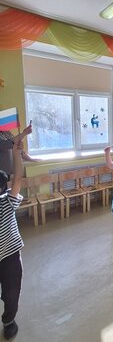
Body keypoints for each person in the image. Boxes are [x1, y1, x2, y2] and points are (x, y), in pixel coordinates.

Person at [0, 135, 26, 340]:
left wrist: (17, 153)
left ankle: (9, 320)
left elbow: (17, 179)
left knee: (11, 292)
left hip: (9, 256)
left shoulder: (6, 202)